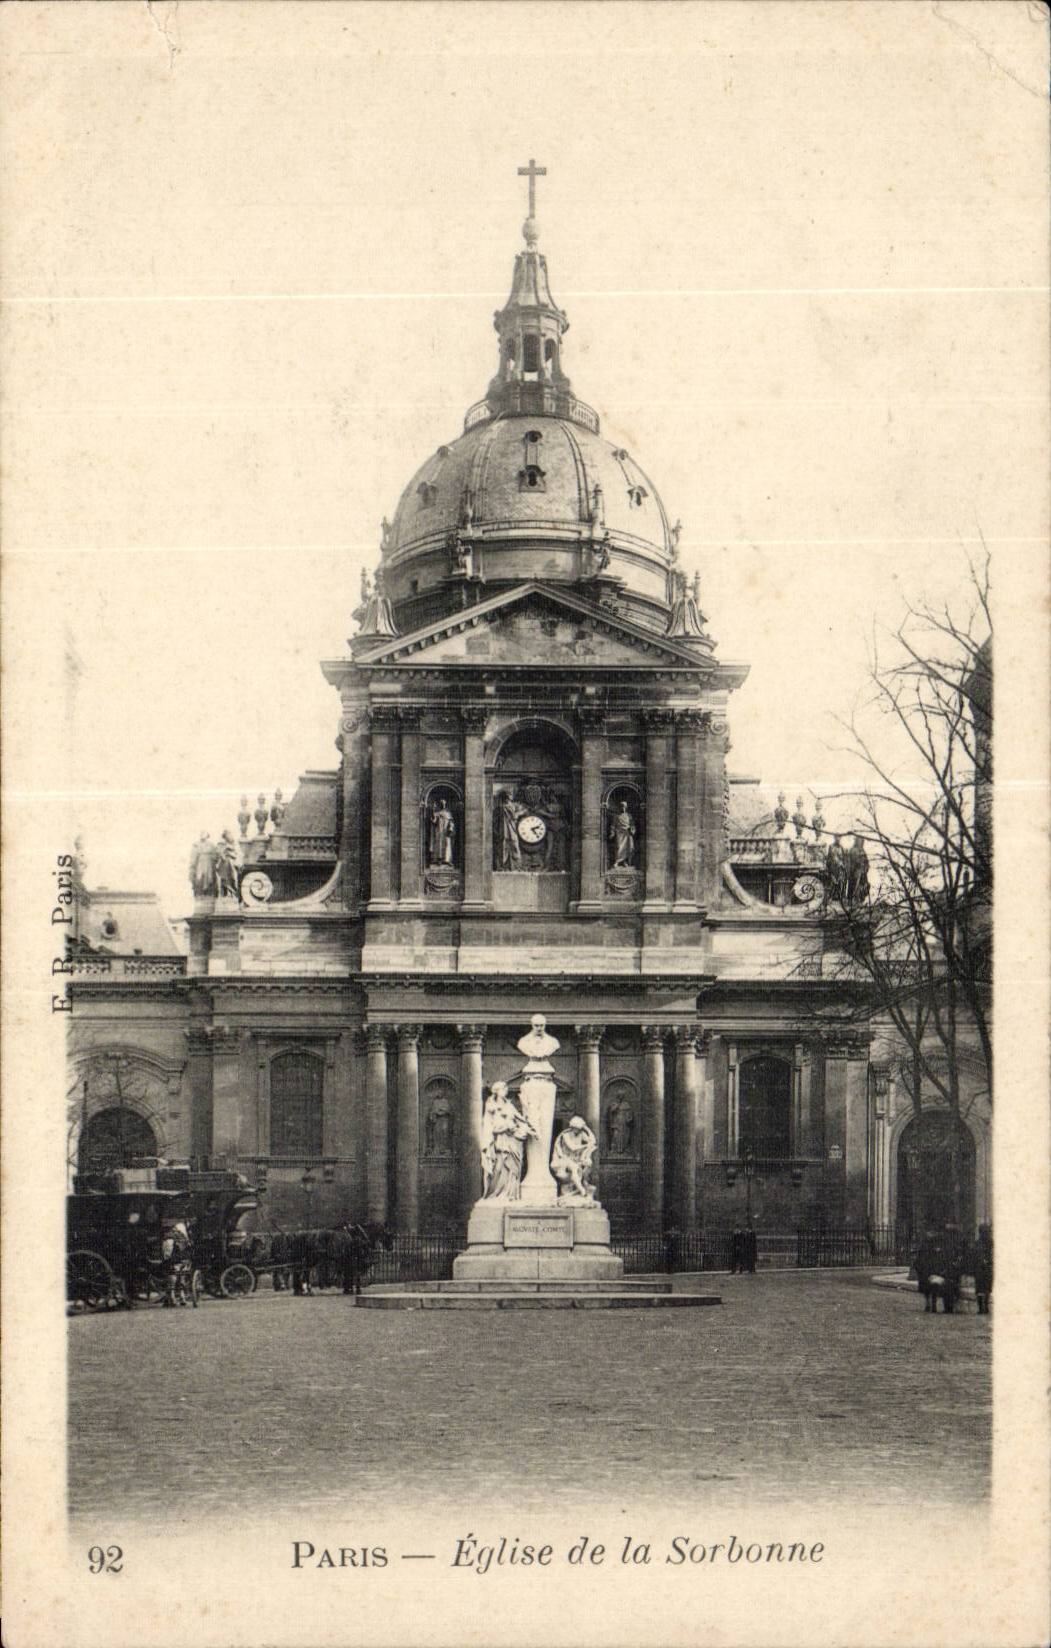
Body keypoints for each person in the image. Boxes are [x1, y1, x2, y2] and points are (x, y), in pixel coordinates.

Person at [480, 1082, 536, 1201]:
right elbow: (490, 1127)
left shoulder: (509, 1106)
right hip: (501, 1139)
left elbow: (520, 1119)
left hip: (513, 1140)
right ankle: (495, 1194)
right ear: (496, 1091)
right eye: (503, 1088)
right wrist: (505, 1127)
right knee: (499, 1167)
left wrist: (528, 1126)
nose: (506, 1090)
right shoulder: (491, 1106)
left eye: (506, 1088)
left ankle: (510, 1194)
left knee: (514, 1167)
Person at [914, 1228, 945, 1313]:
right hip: (929, 1269)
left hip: (930, 1269)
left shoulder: (932, 1244)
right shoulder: (929, 1244)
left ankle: (931, 1304)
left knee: (931, 1287)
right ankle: (930, 1303)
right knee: (930, 1288)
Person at [969, 1224, 993, 1315]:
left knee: (982, 1289)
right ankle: (984, 1307)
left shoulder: (979, 1243)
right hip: (984, 1269)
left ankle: (983, 1308)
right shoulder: (988, 1243)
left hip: (981, 1269)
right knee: (984, 1288)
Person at [608, 801, 636, 868]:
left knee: (628, 848)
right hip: (619, 833)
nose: (623, 808)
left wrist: (632, 830)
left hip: (627, 833)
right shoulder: (616, 816)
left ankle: (624, 862)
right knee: (619, 847)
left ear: (626, 808)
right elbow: (613, 826)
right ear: (619, 807)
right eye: (621, 806)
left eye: (624, 807)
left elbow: (632, 825)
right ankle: (617, 861)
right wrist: (612, 833)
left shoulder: (629, 816)